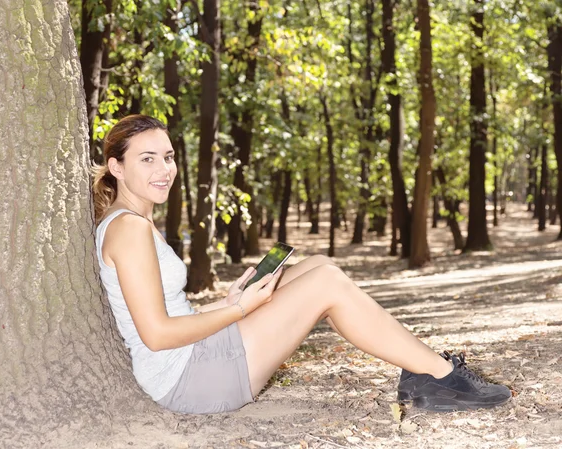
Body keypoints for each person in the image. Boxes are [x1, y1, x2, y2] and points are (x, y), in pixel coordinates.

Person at [92, 114, 511, 414]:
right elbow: (158, 334)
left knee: (318, 263)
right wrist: (239, 311)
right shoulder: (130, 230)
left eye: (167, 156)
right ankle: (439, 377)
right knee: (326, 282)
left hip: (194, 356)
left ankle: (421, 371)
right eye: (147, 159)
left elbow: (163, 312)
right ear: (117, 167)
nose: (164, 169)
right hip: (190, 379)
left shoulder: (135, 221)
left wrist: (226, 303)